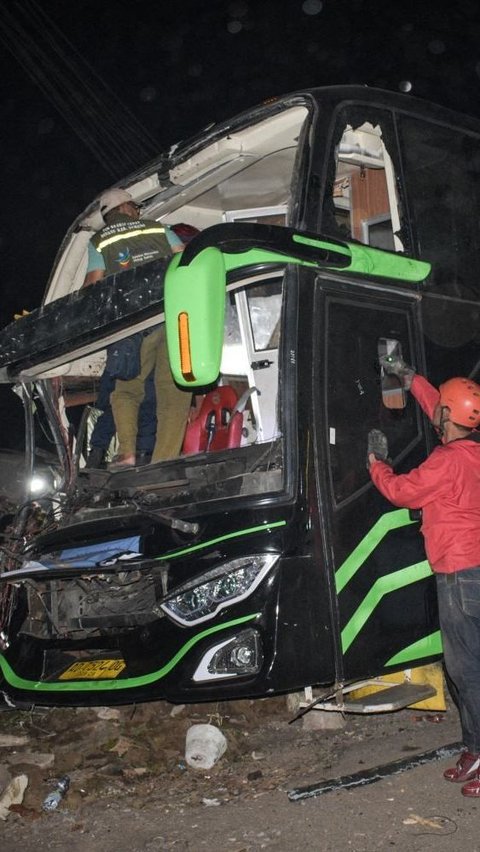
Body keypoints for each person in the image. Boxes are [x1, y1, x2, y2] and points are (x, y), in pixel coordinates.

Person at [368, 357, 480, 798]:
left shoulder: (448, 461)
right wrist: (411, 378)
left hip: (459, 577)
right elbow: (442, 404)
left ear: (450, 418)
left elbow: (402, 491)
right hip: (475, 572)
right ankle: (474, 748)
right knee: (471, 669)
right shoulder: (470, 449)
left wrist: (377, 462)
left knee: (467, 672)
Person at [83, 188, 192, 470]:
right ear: (128, 207)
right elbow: (186, 263)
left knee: (126, 390)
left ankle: (127, 453)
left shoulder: (100, 240)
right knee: (174, 390)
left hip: (133, 324)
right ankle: (164, 461)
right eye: (136, 207)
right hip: (171, 314)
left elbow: (94, 285)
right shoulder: (160, 229)